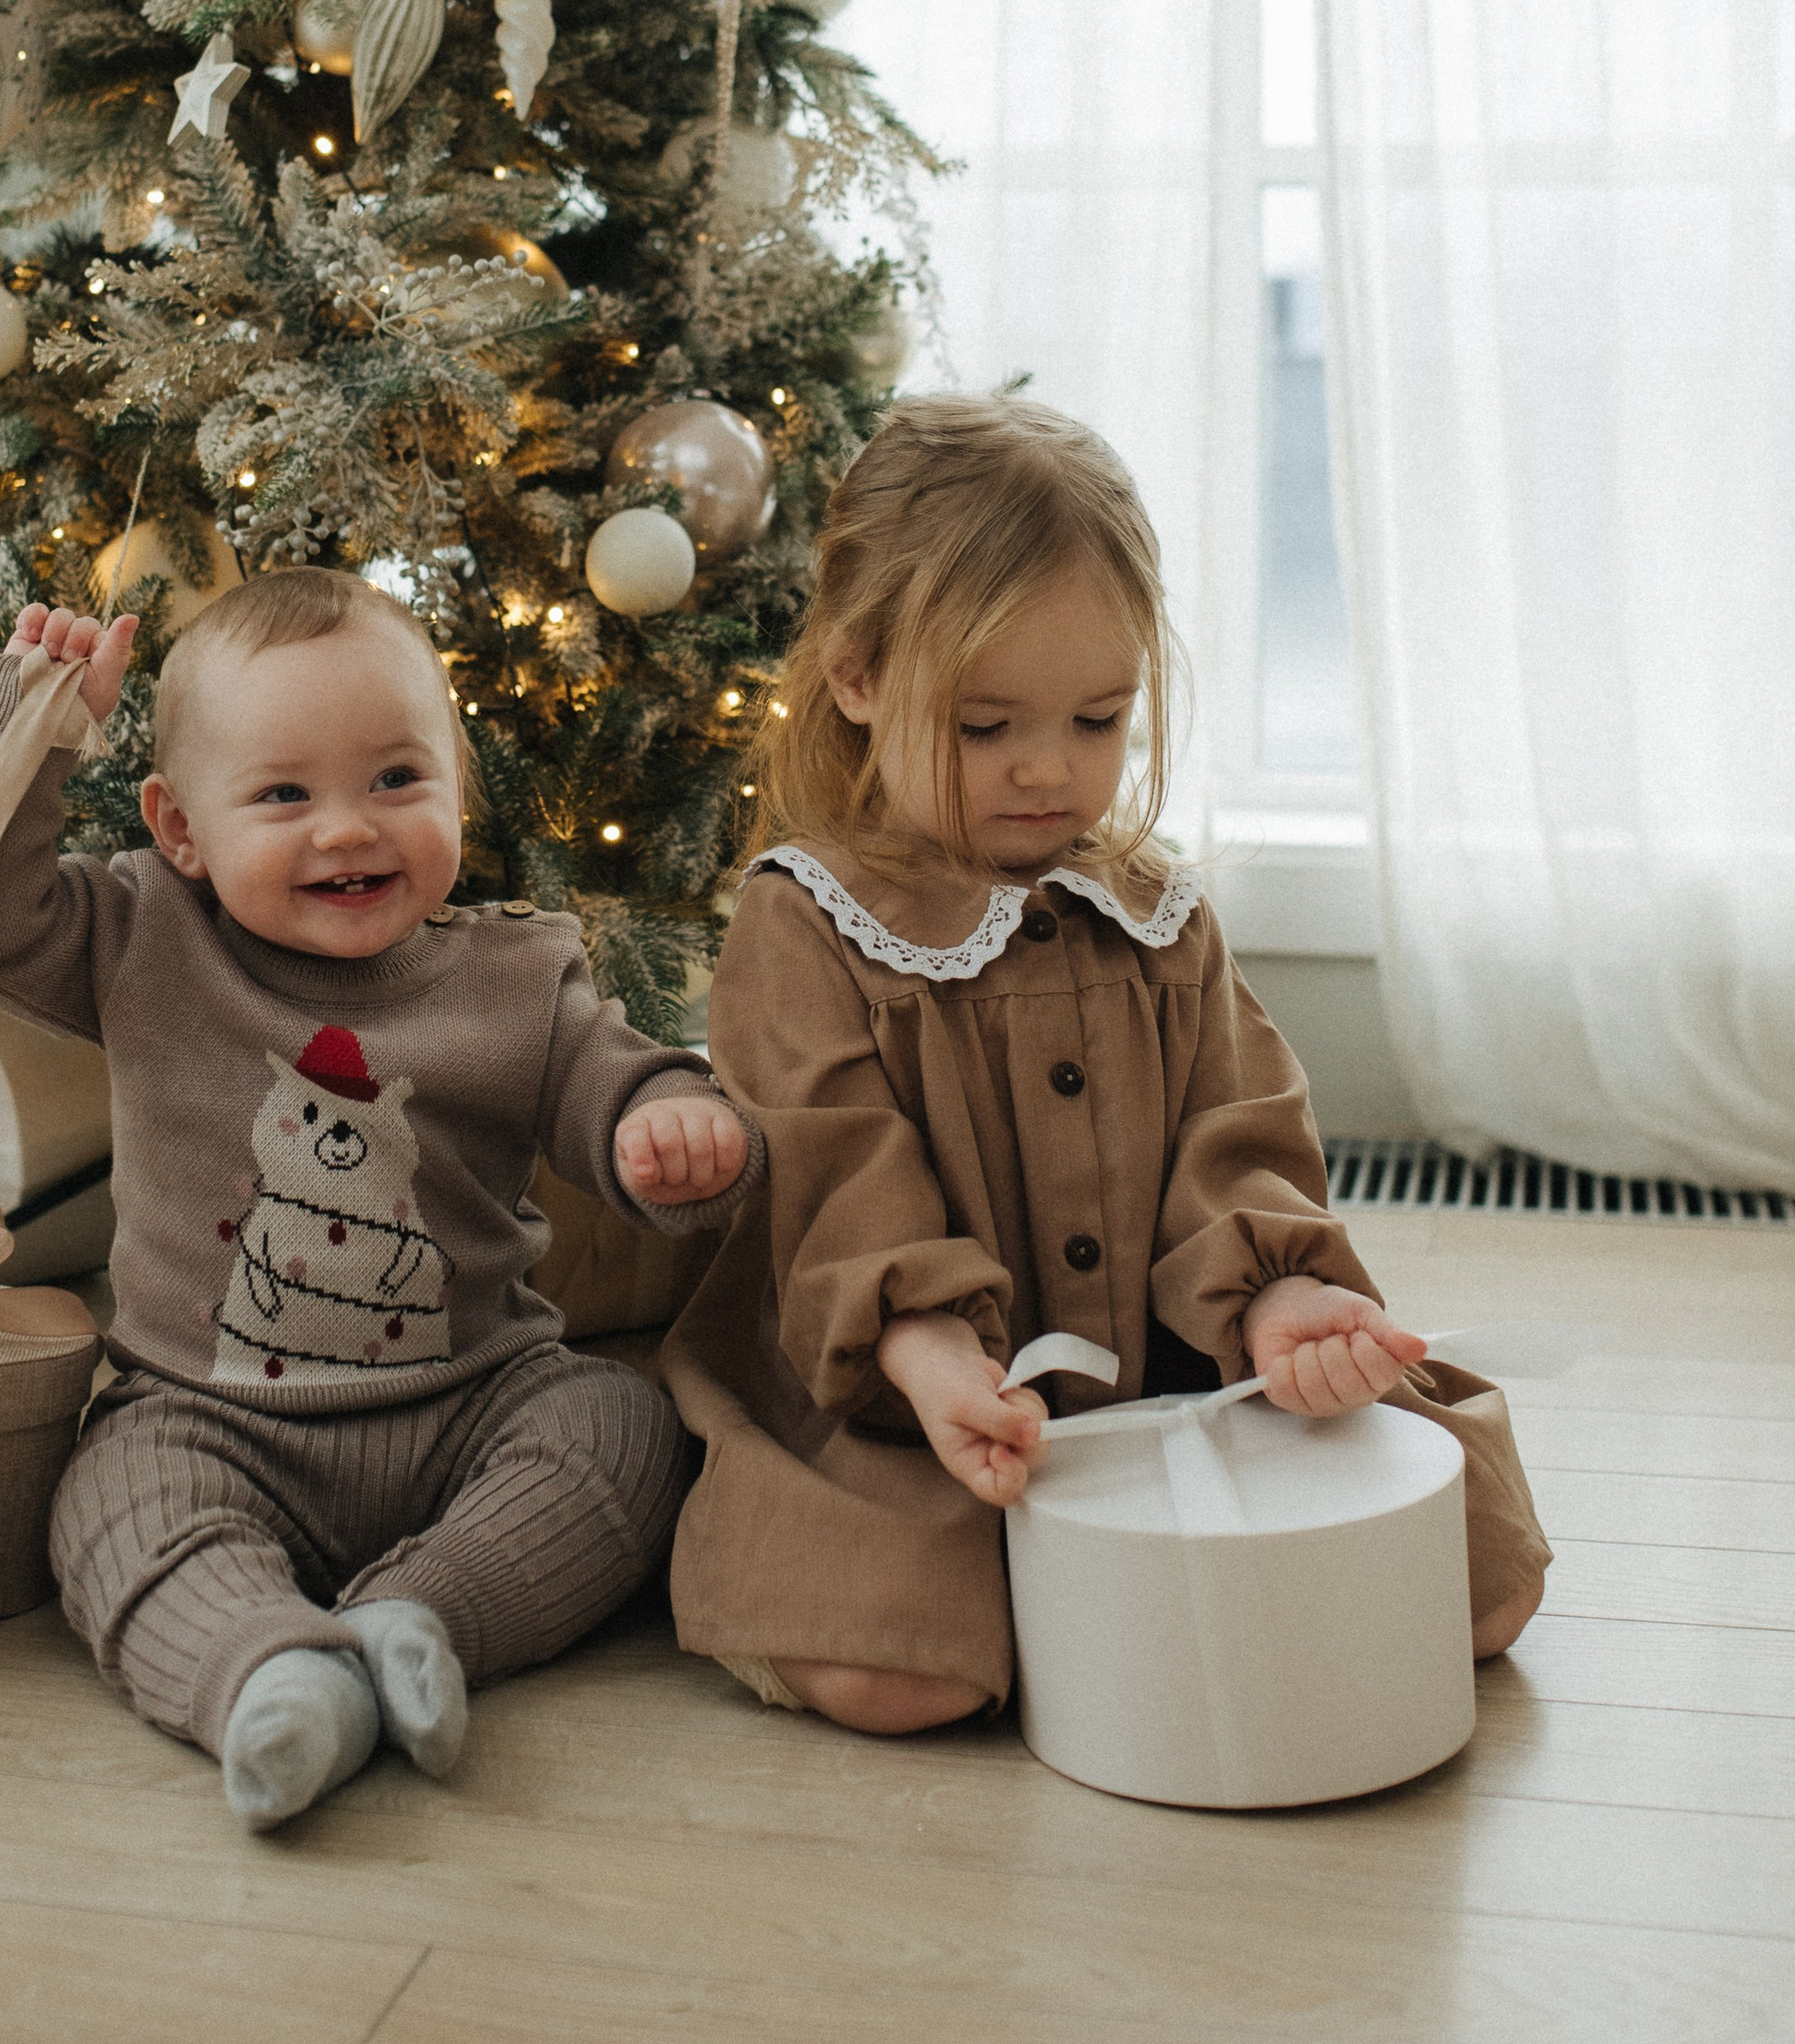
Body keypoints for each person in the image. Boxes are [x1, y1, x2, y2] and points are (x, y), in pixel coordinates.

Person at [664, 394, 1550, 1734]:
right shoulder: (804, 921)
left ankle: (1110, 1586)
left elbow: (1238, 1129)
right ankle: (1019, 1589)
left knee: (1477, 1589)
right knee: (897, 1675)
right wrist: (928, 1353)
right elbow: (836, 1179)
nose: (1046, 772)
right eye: (983, 725)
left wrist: (1275, 1303)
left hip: (1180, 1371)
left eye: (1099, 720)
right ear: (855, 676)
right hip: (908, 1395)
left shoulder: (1156, 911)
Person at [0, 567, 759, 1827]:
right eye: (283, 795)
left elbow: (613, 1081)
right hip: (207, 1414)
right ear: (181, 827)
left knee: (622, 1434)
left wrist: (667, 1126)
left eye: (396, 781)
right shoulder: (144, 934)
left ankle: (420, 1618)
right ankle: (271, 1675)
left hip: (477, 1398)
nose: (348, 828)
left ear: (454, 790)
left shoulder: (515, 977)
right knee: (109, 1505)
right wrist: (24, 726)